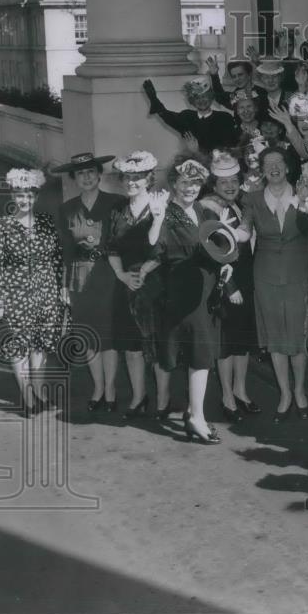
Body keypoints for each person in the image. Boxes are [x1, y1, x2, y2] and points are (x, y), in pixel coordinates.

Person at [150, 156, 238, 445]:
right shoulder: (166, 212)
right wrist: (158, 217)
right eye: (185, 182)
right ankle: (196, 418)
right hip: (182, 293)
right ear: (174, 184)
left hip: (205, 292)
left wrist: (224, 265)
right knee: (199, 356)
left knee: (201, 355)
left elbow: (216, 249)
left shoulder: (202, 210)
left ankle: (194, 414)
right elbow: (155, 247)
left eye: (196, 183)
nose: (190, 188)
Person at [243, 146, 308, 421]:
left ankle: (300, 390)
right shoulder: (251, 199)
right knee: (275, 338)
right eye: (268, 163)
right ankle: (284, 393)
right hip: (265, 275)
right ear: (262, 170)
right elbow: (245, 228)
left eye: (278, 162)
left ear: (287, 167)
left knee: (296, 336)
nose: (274, 167)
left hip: (298, 273)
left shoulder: (303, 196)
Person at [0, 168, 67, 417]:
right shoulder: (4, 225)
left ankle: (40, 392)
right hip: (16, 293)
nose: (24, 200)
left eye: (29, 195)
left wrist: (60, 289)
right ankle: (27, 397)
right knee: (18, 346)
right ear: (13, 195)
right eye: (20, 195)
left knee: (40, 345)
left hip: (46, 292)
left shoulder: (46, 222)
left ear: (36, 196)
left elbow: (57, 258)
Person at [52, 152, 124, 413]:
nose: (86, 177)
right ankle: (98, 388)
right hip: (79, 277)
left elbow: (123, 242)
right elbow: (66, 250)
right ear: (73, 178)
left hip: (109, 273)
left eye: (91, 171)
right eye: (80, 173)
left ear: (99, 174)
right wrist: (64, 286)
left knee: (109, 335)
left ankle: (112, 389)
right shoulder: (66, 208)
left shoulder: (116, 202)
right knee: (89, 335)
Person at [200, 151, 259, 422]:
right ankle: (226, 396)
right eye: (223, 182)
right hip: (225, 283)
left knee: (242, 340)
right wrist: (231, 286)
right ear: (214, 185)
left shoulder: (238, 204)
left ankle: (241, 390)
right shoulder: (209, 208)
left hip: (246, 280)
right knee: (226, 342)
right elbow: (215, 253)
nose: (230, 185)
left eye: (234, 180)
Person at [107, 151, 167, 418]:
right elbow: (111, 247)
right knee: (132, 347)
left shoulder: (159, 204)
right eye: (128, 177)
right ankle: (138, 397)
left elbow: (164, 248)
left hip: (154, 283)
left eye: (138, 178)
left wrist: (142, 271)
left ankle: (163, 400)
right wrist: (121, 275)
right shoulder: (118, 210)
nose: (132, 182)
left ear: (148, 179)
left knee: (157, 345)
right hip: (126, 284)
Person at [144, 75, 238, 155]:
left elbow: (230, 148)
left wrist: (197, 151)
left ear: (210, 98)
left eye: (204, 97)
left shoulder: (224, 118)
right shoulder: (187, 117)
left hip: (221, 167)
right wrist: (154, 99)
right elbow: (168, 117)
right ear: (192, 101)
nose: (201, 101)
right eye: (197, 98)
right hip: (194, 167)